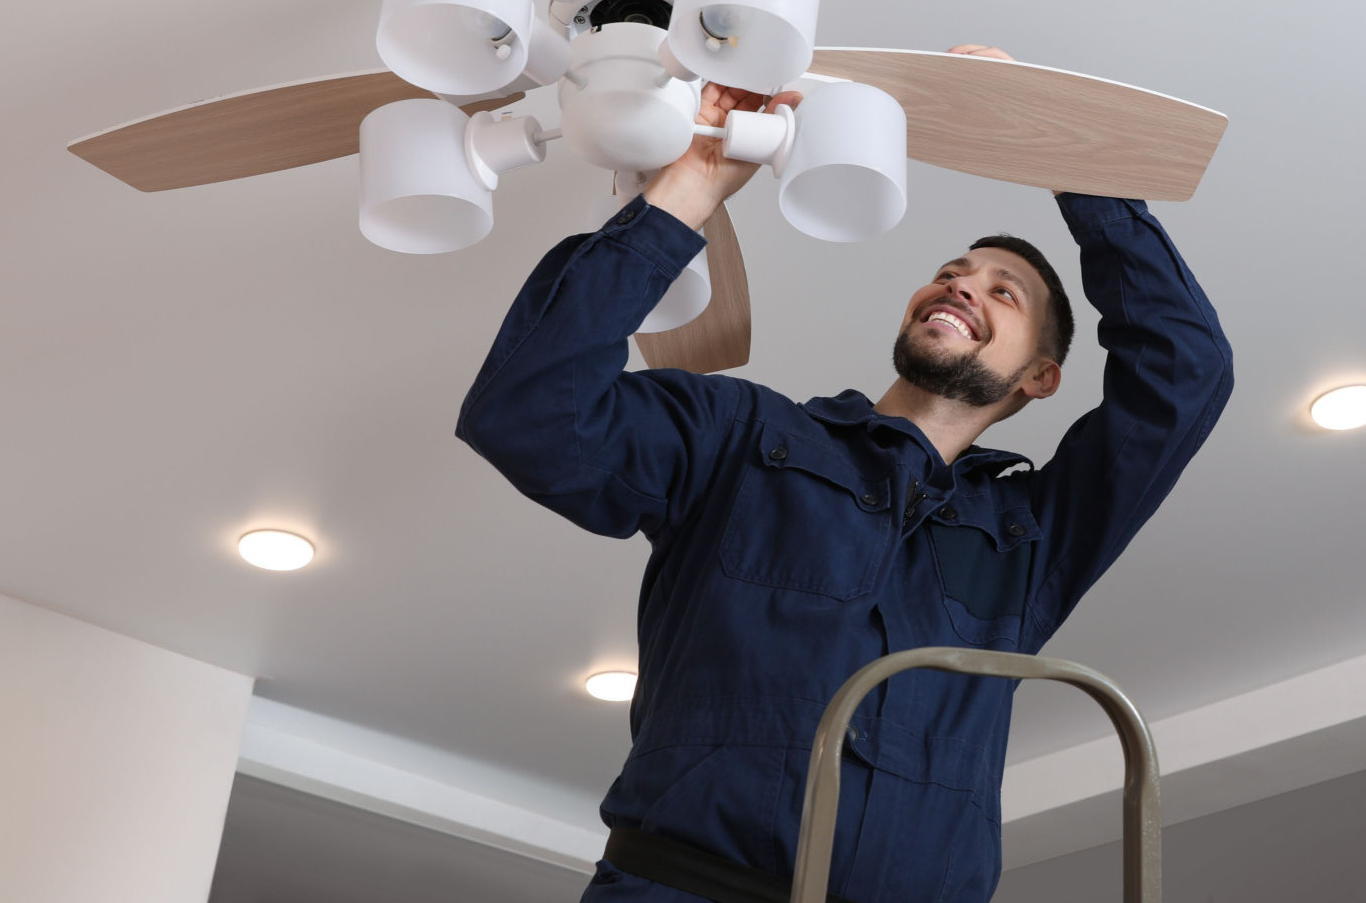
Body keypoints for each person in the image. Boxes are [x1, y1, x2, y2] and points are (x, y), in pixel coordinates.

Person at [457, 46, 1233, 903]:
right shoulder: (742, 437)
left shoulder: (1032, 539)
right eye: (950, 274)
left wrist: (1054, 151)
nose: (962, 285)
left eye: (1002, 292)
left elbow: (1184, 372)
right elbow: (529, 415)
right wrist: (691, 185)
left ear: (1040, 377)